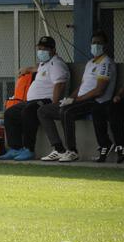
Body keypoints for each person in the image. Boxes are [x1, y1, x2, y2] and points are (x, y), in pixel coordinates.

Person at [37, 30, 116, 162]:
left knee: (66, 112)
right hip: (80, 100)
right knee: (43, 110)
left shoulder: (106, 62)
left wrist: (76, 100)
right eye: (93, 43)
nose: (95, 45)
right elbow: (82, 86)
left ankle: (72, 151)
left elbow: (99, 91)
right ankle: (58, 149)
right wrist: (70, 98)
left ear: (105, 45)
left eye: (99, 43)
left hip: (95, 102)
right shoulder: (90, 63)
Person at [0, 36, 70, 161]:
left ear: (53, 50)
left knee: (29, 111)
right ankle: (15, 148)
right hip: (32, 101)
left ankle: (29, 149)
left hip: (46, 100)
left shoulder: (57, 64)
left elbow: (60, 84)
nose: (41, 51)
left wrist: (53, 104)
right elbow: (38, 69)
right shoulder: (44, 63)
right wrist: (27, 69)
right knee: (10, 113)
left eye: (45, 49)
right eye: (40, 48)